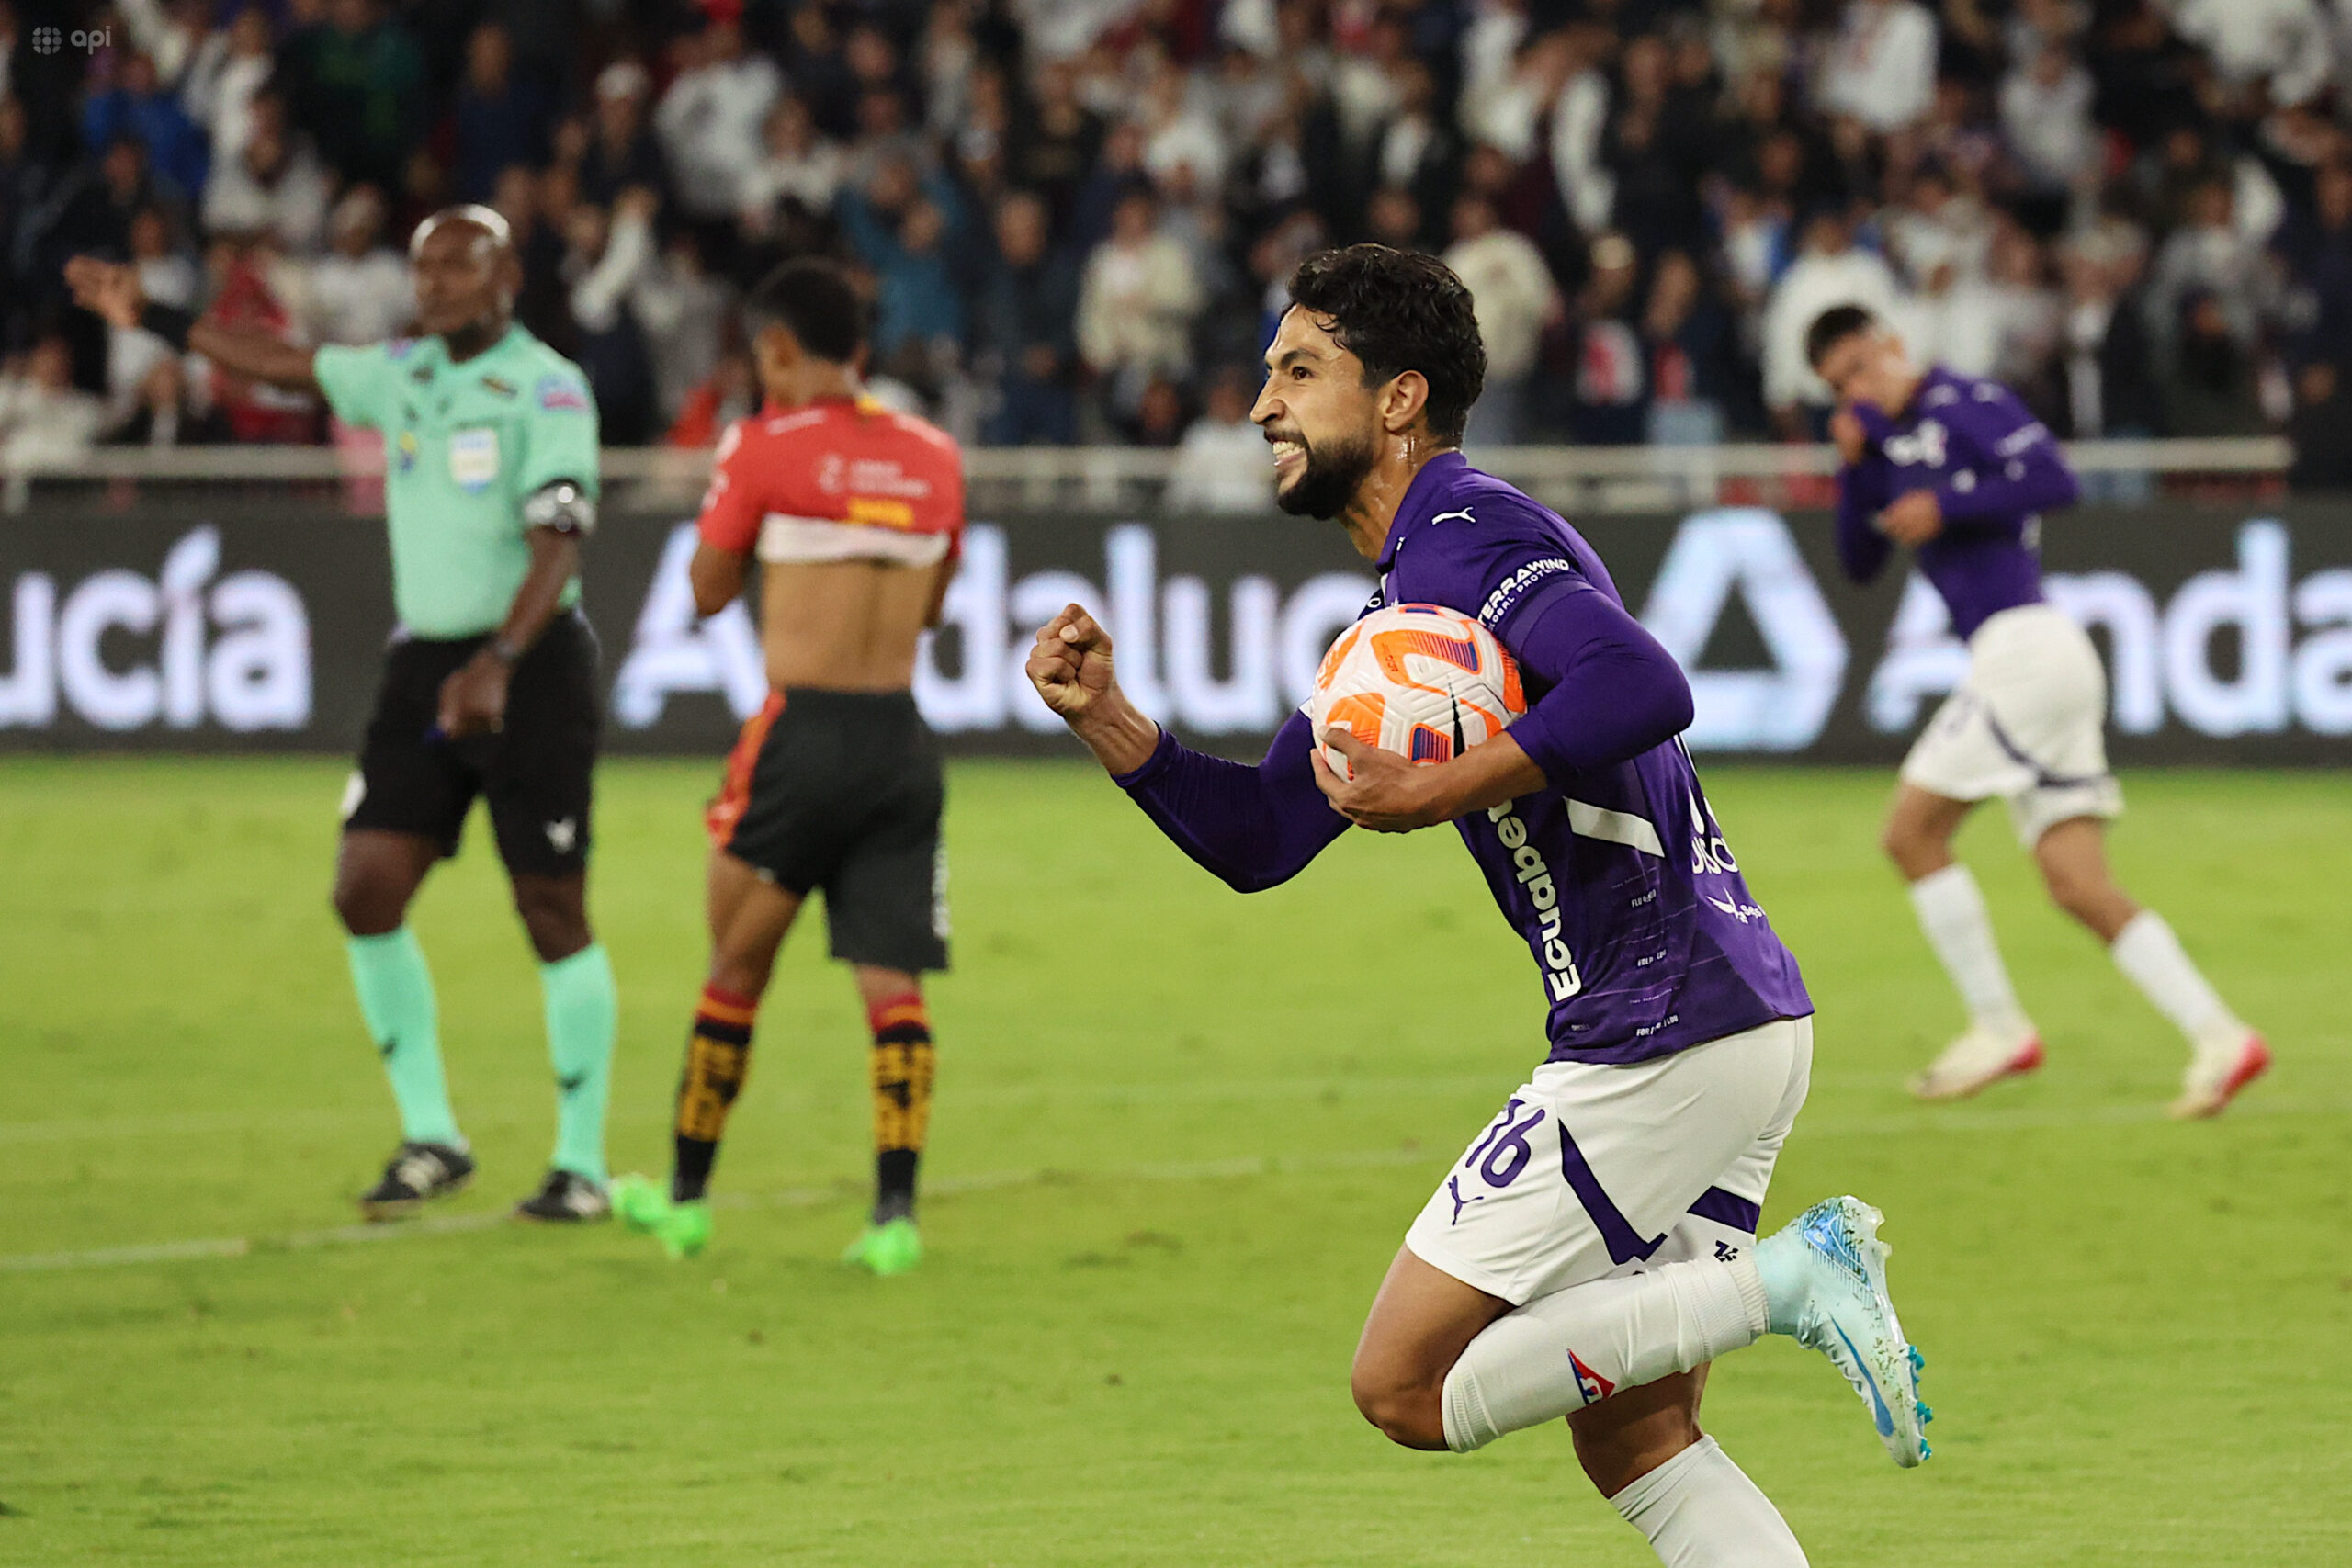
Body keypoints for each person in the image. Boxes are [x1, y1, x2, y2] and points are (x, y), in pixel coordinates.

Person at [1025, 244, 1930, 1568]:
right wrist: (1105, 714)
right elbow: (1264, 836)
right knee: (1636, 1435)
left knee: (1402, 1383)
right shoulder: (1404, 602)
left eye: (1298, 370)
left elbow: (1641, 680)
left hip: (1658, 1030)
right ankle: (1773, 1289)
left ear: (1398, 399)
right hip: (1736, 1016)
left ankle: (1788, 1280)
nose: (1262, 404)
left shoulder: (1468, 532)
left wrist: (1451, 780)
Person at [64, 207, 620, 1222]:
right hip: (426, 664)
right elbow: (282, 364)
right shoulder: (400, 371)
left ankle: (579, 1164)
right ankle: (432, 1138)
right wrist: (151, 310)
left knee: (550, 908)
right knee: (365, 886)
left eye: (459, 267)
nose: (435, 285)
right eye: (424, 269)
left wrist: (499, 659)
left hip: (528, 665)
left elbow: (559, 540)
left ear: (506, 280)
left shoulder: (547, 388)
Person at [1808, 304, 2269, 1116]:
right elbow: (1857, 560)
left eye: (1859, 365)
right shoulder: (1879, 443)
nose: (1855, 387)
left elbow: (2056, 480)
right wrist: (1854, 467)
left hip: (2028, 649)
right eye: (1837, 384)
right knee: (2075, 880)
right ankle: (2222, 1036)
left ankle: (1998, 1026)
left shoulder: (1964, 401)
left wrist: (1947, 506)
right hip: (2025, 660)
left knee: (1910, 834)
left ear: (1890, 341)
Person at [608, 259, 965, 1277]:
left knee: (734, 967)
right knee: (891, 987)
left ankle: (685, 1201)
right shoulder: (936, 456)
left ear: (776, 350)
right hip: (900, 737)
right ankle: (894, 1219)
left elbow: (710, 590)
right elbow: (935, 603)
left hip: (801, 737)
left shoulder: (763, 447)